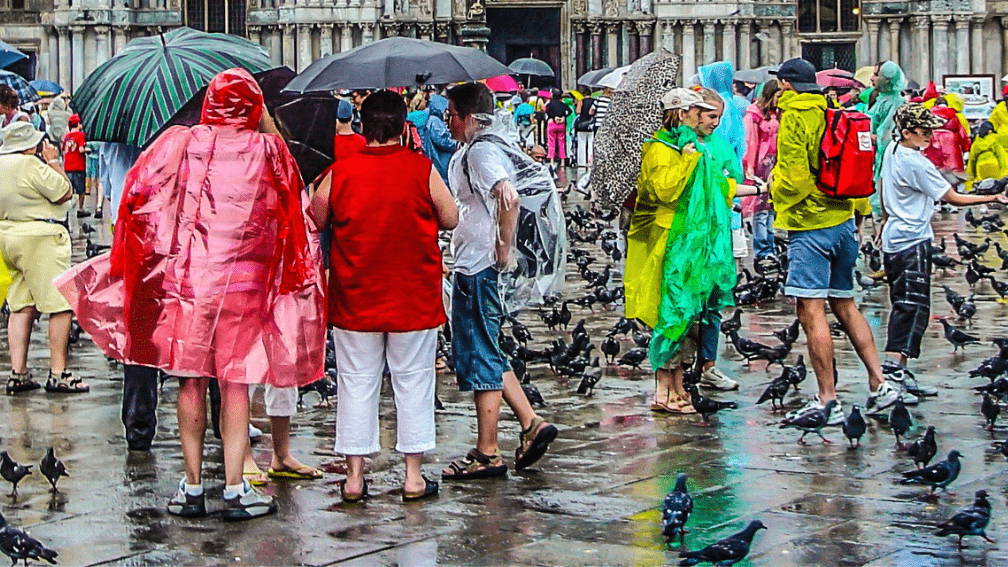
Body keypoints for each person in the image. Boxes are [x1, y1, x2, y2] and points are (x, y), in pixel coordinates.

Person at [58, 68, 325, 520]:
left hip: (189, 284)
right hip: (246, 285)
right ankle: (237, 489)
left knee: (190, 379)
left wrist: (140, 262)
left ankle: (193, 486)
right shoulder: (270, 149)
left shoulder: (181, 143)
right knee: (235, 381)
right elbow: (292, 216)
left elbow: (140, 198)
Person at [310, 90, 458, 502]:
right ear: (400, 125)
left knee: (356, 383)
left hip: (356, 296)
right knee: (413, 382)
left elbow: (317, 216)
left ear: (364, 126)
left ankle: (355, 478)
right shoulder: (421, 168)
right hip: (412, 296)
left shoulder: (343, 170)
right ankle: (413, 477)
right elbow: (450, 217)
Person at [770, 58, 902, 424]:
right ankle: (879, 384)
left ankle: (828, 399)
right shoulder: (835, 109)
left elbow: (795, 179)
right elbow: (854, 167)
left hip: (811, 225)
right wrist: (857, 217)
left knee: (812, 313)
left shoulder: (795, 116)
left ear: (785, 85)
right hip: (845, 221)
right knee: (846, 303)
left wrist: (772, 191)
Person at [441, 82, 557, 479]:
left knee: (481, 353)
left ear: (470, 117)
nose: (447, 122)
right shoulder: (477, 148)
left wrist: (503, 246)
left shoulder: (481, 150)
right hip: (473, 262)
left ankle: (488, 450)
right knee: (484, 346)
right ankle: (530, 422)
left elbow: (508, 196)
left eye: (451, 115)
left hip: (479, 265)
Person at [624, 88, 742, 413]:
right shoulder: (660, 149)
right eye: (696, 110)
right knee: (671, 314)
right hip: (669, 242)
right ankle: (664, 389)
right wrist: (688, 161)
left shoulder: (689, 147)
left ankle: (677, 384)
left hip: (693, 242)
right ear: (680, 113)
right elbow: (664, 191)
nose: (699, 116)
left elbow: (712, 187)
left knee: (688, 314)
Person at [879, 103, 1008, 386]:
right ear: (906, 132)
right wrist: (991, 198)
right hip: (912, 241)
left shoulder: (892, 151)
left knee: (903, 305)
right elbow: (952, 197)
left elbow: (885, 188)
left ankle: (896, 369)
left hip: (894, 239)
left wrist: (882, 223)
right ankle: (894, 373)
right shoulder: (916, 162)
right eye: (924, 131)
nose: (929, 136)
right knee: (913, 309)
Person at [0, 121, 86, 395]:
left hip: (8, 235)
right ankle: (59, 372)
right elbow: (64, 190)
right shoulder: (31, 165)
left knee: (20, 305)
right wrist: (53, 162)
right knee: (60, 305)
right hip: (41, 237)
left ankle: (18, 372)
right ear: (30, 145)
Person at [742, 79, 781, 262]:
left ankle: (770, 243)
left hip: (774, 163)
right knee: (761, 208)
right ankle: (762, 247)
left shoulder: (778, 113)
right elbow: (750, 141)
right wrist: (750, 166)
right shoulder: (754, 115)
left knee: (771, 207)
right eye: (778, 96)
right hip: (761, 164)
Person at [868, 61, 907, 214]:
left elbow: (888, 135)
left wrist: (869, 137)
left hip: (888, 160)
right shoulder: (880, 100)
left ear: (888, 79)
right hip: (877, 158)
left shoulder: (896, 102)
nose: (871, 78)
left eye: (877, 75)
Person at [408, 93, 458, 183]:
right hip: (439, 163)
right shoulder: (434, 120)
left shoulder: (418, 118)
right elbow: (443, 141)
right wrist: (457, 143)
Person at [965, 121, 1008, 191]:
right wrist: (1004, 175)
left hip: (980, 170)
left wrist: (969, 184)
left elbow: (971, 163)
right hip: (995, 167)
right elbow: (1001, 157)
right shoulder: (994, 140)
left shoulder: (975, 144)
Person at [61, 113, 89, 218]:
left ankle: (66, 210)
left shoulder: (67, 136)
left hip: (68, 166)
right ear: (78, 123)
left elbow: (63, 149)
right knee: (81, 190)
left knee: (68, 190)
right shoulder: (80, 135)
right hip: (78, 166)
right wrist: (88, 150)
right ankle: (80, 209)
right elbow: (81, 149)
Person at [544, 89, 572, 171]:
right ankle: (562, 161)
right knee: (561, 142)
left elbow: (547, 111)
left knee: (551, 142)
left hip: (552, 123)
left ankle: (552, 161)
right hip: (561, 125)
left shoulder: (550, 104)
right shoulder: (563, 104)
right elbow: (569, 111)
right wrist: (563, 117)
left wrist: (554, 117)